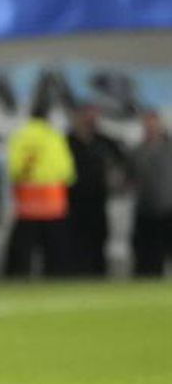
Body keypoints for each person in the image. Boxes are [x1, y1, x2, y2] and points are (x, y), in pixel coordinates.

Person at [4, 101, 75, 277]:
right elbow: (67, 171)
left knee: (23, 251)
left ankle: (19, 279)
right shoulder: (54, 137)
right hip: (53, 203)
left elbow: (14, 170)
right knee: (55, 253)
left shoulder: (20, 136)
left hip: (27, 204)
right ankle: (54, 280)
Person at [66, 104, 125, 276]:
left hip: (98, 201)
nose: (89, 120)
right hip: (72, 202)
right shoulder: (67, 141)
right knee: (74, 243)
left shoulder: (105, 142)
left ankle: (98, 276)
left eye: (93, 117)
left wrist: (116, 178)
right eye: (85, 116)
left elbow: (122, 164)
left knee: (98, 241)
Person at [129, 111, 172, 276]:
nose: (151, 129)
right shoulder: (137, 152)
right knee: (146, 257)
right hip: (145, 210)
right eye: (148, 125)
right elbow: (129, 179)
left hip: (168, 210)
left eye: (154, 125)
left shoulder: (169, 150)